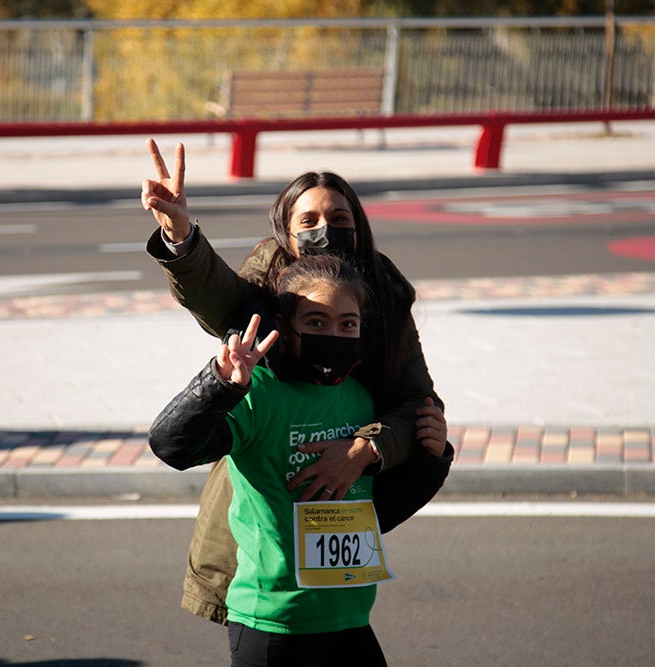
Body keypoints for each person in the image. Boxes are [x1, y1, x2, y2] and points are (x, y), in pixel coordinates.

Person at [142, 139, 451, 624]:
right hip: (263, 562)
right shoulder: (266, 295)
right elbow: (218, 296)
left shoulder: (386, 294)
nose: (326, 230)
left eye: (340, 219)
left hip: (344, 557)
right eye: (308, 221)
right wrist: (181, 236)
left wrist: (366, 450)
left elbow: (418, 403)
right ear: (286, 236)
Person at [151, 255, 446, 666]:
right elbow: (172, 447)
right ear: (285, 329)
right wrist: (220, 384)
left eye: (348, 323)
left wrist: (432, 457)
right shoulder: (260, 395)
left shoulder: (362, 400)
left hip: (350, 617)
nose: (334, 333)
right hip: (271, 624)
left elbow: (379, 510)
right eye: (315, 322)